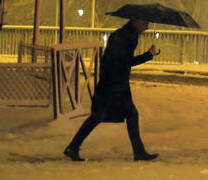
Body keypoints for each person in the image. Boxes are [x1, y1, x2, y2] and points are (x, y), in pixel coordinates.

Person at [64, 18, 159, 162]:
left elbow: (121, 61)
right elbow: (124, 62)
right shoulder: (124, 37)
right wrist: (148, 55)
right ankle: (139, 153)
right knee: (126, 115)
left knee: (99, 116)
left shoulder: (126, 35)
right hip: (113, 85)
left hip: (112, 83)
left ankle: (73, 147)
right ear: (136, 22)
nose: (147, 26)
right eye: (145, 23)